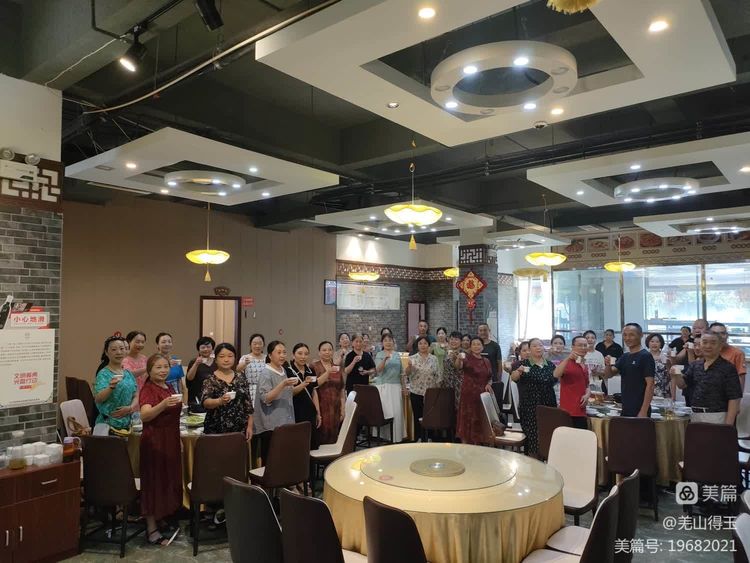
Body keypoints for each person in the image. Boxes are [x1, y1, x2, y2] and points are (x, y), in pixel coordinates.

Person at [139, 353, 182, 546]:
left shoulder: (168, 386)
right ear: (149, 370)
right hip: (155, 441)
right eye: (158, 367)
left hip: (170, 439)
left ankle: (161, 517)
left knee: (166, 479)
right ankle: (151, 529)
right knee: (153, 482)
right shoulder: (148, 389)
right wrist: (163, 405)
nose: (163, 370)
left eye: (165, 367)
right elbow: (145, 415)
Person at [671, 332, 741, 424]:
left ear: (720, 346)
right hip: (695, 414)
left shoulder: (728, 368)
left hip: (718, 416)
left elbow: (734, 398)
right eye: (704, 342)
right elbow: (682, 385)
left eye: (713, 343)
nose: (708, 346)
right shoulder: (695, 365)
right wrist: (676, 374)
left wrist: (728, 426)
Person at [510, 338, 557, 456]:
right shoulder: (523, 364)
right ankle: (532, 462)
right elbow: (514, 378)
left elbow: (556, 379)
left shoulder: (550, 365)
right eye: (534, 346)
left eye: (540, 345)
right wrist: (518, 372)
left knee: (548, 435)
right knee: (533, 438)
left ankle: (546, 461)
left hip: (548, 405)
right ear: (529, 350)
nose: (538, 348)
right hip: (530, 407)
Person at [201, 343, 254, 444]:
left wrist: (250, 426)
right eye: (222, 356)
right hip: (216, 428)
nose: (226, 359)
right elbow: (205, 402)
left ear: (235, 358)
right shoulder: (210, 380)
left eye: (230, 356)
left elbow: (248, 405)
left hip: (239, 429)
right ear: (216, 359)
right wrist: (219, 401)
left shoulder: (241, 378)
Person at [254, 341, 296, 463]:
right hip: (271, 424)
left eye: (284, 352)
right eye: (278, 352)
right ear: (270, 355)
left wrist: (304, 384)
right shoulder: (266, 373)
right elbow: (266, 398)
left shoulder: (283, 370)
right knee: (271, 460)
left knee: (283, 458)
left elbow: (288, 393)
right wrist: (283, 384)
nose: (282, 355)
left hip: (285, 421)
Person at [604, 323, 655, 418]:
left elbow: (650, 385)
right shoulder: (625, 356)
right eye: (625, 335)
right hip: (626, 406)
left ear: (640, 335)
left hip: (640, 408)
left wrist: (643, 411)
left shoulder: (645, 356)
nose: (627, 338)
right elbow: (608, 375)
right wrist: (608, 365)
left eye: (631, 335)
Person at [93, 336, 138, 431]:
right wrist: (110, 387)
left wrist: (130, 408)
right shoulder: (103, 374)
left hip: (127, 425)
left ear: (126, 351)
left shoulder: (128, 373)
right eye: (114, 349)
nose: (119, 352)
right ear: (106, 352)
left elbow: (136, 395)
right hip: (108, 425)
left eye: (122, 349)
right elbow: (98, 399)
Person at [456, 337, 493, 445]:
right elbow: (458, 366)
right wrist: (459, 359)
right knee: (467, 419)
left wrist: (489, 384)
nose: (476, 346)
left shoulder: (486, 361)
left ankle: (478, 445)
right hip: (468, 395)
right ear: (471, 347)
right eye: (474, 344)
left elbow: (490, 377)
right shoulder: (466, 358)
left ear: (482, 347)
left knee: (479, 420)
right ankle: (465, 446)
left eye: (478, 344)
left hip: (482, 396)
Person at [285, 343, 321, 450]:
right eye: (300, 353)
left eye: (306, 354)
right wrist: (304, 383)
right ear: (293, 355)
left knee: (311, 444)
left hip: (310, 411)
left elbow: (314, 392)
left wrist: (318, 412)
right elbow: (290, 393)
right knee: (298, 444)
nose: (303, 356)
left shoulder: (310, 370)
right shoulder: (288, 371)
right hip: (295, 412)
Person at [311, 341, 346, 444]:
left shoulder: (337, 367)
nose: (327, 352)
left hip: (335, 408)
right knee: (321, 438)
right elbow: (314, 386)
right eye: (324, 350)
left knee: (334, 438)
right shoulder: (314, 366)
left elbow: (341, 389)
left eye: (330, 350)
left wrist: (343, 409)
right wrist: (328, 372)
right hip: (321, 408)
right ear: (319, 352)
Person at [373, 334, 406, 443]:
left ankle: (396, 438)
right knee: (386, 413)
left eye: (390, 340)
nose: (388, 342)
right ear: (382, 343)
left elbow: (402, 373)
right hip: (383, 387)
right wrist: (385, 360)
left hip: (396, 387)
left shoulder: (397, 355)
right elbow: (378, 370)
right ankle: (384, 437)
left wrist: (404, 387)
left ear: (393, 342)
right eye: (385, 340)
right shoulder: (379, 354)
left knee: (396, 412)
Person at [405, 336, 439, 440]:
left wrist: (437, 390)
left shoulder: (434, 359)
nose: (423, 345)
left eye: (425, 343)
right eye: (420, 343)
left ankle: (430, 437)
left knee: (430, 416)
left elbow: (437, 375)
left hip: (430, 392)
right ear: (417, 346)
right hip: (416, 391)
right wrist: (409, 367)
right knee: (418, 416)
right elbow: (407, 374)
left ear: (429, 345)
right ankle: (419, 438)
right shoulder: (412, 358)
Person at [553, 336, 590, 429]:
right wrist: (568, 358)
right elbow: (556, 374)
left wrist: (587, 394)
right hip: (569, 411)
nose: (583, 348)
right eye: (580, 345)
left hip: (581, 410)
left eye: (585, 345)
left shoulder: (584, 364)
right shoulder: (566, 362)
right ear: (573, 347)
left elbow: (587, 385)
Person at [710, 322, 747, 389]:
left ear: (727, 335)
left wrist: (739, 395)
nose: (720, 336)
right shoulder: (706, 352)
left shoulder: (737, 353)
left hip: (728, 392)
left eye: (723, 333)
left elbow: (741, 377)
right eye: (715, 334)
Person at [186, 336, 215, 413]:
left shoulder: (216, 362)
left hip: (213, 398)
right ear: (198, 349)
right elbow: (189, 378)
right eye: (203, 347)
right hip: (197, 399)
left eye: (208, 347)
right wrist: (196, 364)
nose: (206, 349)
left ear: (212, 348)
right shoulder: (193, 362)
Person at [237, 333, 266, 406]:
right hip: (251, 389)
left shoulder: (267, 358)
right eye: (255, 343)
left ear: (263, 345)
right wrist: (245, 363)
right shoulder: (245, 357)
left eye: (260, 343)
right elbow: (237, 370)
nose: (257, 346)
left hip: (266, 389)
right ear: (250, 345)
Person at [155, 332, 187, 399]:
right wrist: (168, 365)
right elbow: (154, 380)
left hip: (176, 396)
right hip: (161, 396)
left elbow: (180, 383)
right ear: (157, 345)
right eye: (163, 342)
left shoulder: (176, 360)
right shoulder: (154, 360)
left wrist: (183, 399)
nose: (167, 344)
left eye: (169, 342)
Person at [443, 331, 466, 411]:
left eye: (456, 339)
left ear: (461, 342)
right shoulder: (447, 352)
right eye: (451, 339)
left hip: (458, 385)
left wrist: (456, 358)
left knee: (457, 409)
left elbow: (459, 367)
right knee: (448, 409)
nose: (453, 341)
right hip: (447, 384)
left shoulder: (462, 354)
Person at [645, 333, 669, 398]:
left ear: (661, 344)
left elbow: (670, 377)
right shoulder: (644, 357)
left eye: (657, 342)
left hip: (662, 389)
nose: (654, 344)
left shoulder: (665, 358)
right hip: (647, 389)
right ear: (648, 343)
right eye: (652, 341)